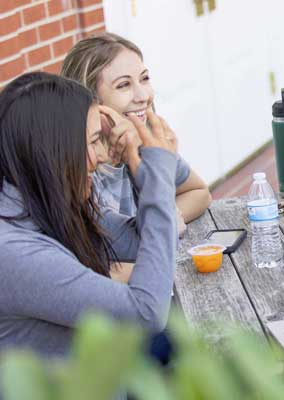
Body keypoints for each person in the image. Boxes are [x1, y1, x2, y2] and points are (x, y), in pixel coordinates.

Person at [0, 72, 178, 357]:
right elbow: (146, 313)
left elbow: (142, 239)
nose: (98, 159)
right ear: (54, 149)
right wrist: (159, 176)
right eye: (94, 141)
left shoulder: (45, 204)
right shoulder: (12, 251)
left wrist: (138, 159)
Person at [61, 33, 211, 233]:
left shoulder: (144, 142)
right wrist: (160, 225)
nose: (143, 96)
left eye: (144, 79)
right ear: (89, 98)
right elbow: (104, 245)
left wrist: (164, 221)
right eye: (124, 85)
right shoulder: (82, 166)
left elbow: (199, 192)